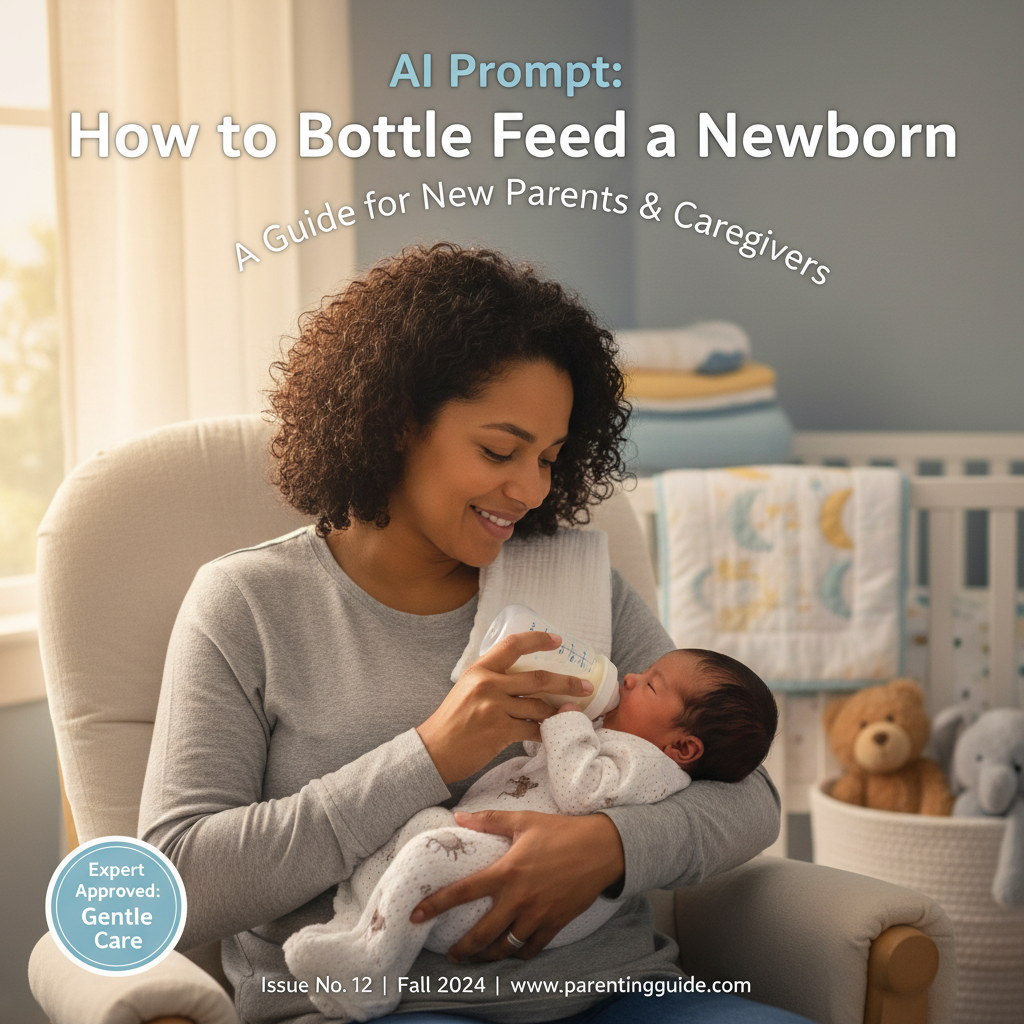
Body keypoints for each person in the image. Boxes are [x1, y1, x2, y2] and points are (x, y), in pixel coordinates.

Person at [138, 243, 805, 1024]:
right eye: (498, 449)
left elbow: (747, 794)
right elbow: (172, 885)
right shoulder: (248, 604)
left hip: (618, 992)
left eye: (551, 458)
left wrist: (609, 848)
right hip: (382, 1006)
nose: (529, 490)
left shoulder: (570, 583)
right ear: (394, 421)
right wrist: (426, 757)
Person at [284, 648, 778, 1021]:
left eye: (649, 685)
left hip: (506, 903)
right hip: (449, 964)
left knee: (428, 850)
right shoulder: (615, 740)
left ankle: (376, 968)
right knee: (421, 829)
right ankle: (354, 930)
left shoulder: (649, 764)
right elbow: (543, 762)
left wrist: (568, 723)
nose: (628, 677)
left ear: (685, 747)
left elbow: (581, 793)